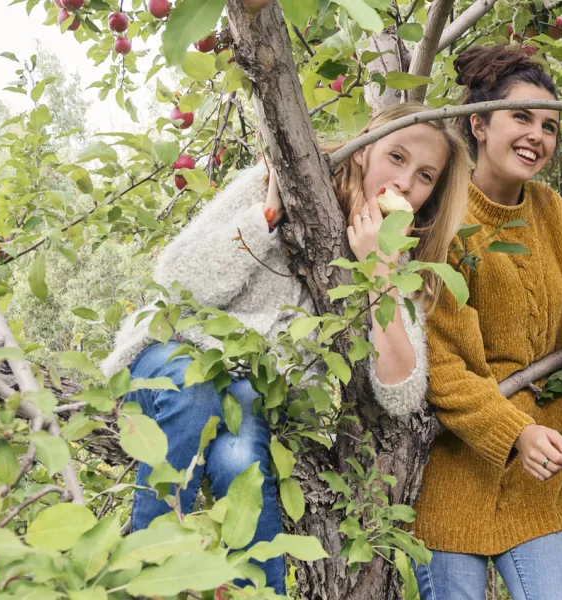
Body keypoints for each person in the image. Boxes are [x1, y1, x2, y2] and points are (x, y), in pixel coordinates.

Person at [101, 102, 470, 594]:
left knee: (241, 460)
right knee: (197, 392)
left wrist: (380, 273)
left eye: (425, 176)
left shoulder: (392, 259)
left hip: (250, 395)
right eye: (397, 157)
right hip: (173, 358)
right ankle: (145, 572)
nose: (405, 182)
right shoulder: (273, 183)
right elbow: (175, 278)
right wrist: (266, 218)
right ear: (364, 151)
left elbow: (402, 394)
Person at [409, 45, 562, 600]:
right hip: (453, 481)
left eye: (550, 126)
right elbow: (440, 364)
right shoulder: (441, 221)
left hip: (539, 486)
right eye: (522, 117)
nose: (538, 135)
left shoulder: (551, 212)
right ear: (478, 123)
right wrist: (514, 433)